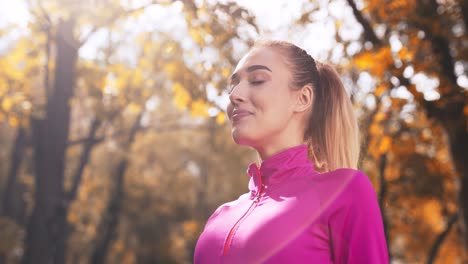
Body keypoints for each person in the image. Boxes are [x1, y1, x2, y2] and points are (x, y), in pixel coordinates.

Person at [193, 40, 389, 264]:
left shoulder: (344, 192)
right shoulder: (220, 216)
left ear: (302, 98)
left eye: (257, 80)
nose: (234, 94)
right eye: (233, 84)